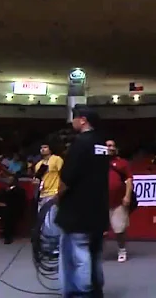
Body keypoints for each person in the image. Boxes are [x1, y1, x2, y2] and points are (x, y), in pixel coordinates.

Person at [56, 105, 110, 298]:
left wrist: (58, 196)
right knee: (94, 253)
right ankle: (96, 290)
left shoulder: (80, 143)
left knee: (78, 254)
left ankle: (81, 292)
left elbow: (68, 178)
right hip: (98, 210)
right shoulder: (102, 143)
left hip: (77, 212)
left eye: (74, 118)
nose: (73, 122)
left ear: (83, 120)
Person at [106, 139, 133, 263]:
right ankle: (97, 252)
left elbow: (128, 180)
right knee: (99, 230)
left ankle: (122, 250)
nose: (109, 148)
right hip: (101, 202)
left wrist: (127, 196)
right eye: (107, 146)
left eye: (112, 145)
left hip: (118, 202)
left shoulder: (122, 163)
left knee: (119, 229)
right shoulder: (96, 163)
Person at [35, 143, 64, 254]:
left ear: (50, 149)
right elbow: (38, 179)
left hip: (53, 193)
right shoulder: (38, 164)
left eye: (45, 147)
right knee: (43, 222)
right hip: (42, 194)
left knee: (52, 221)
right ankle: (48, 246)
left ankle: (57, 246)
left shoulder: (56, 159)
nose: (43, 149)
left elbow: (63, 175)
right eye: (41, 147)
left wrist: (59, 193)